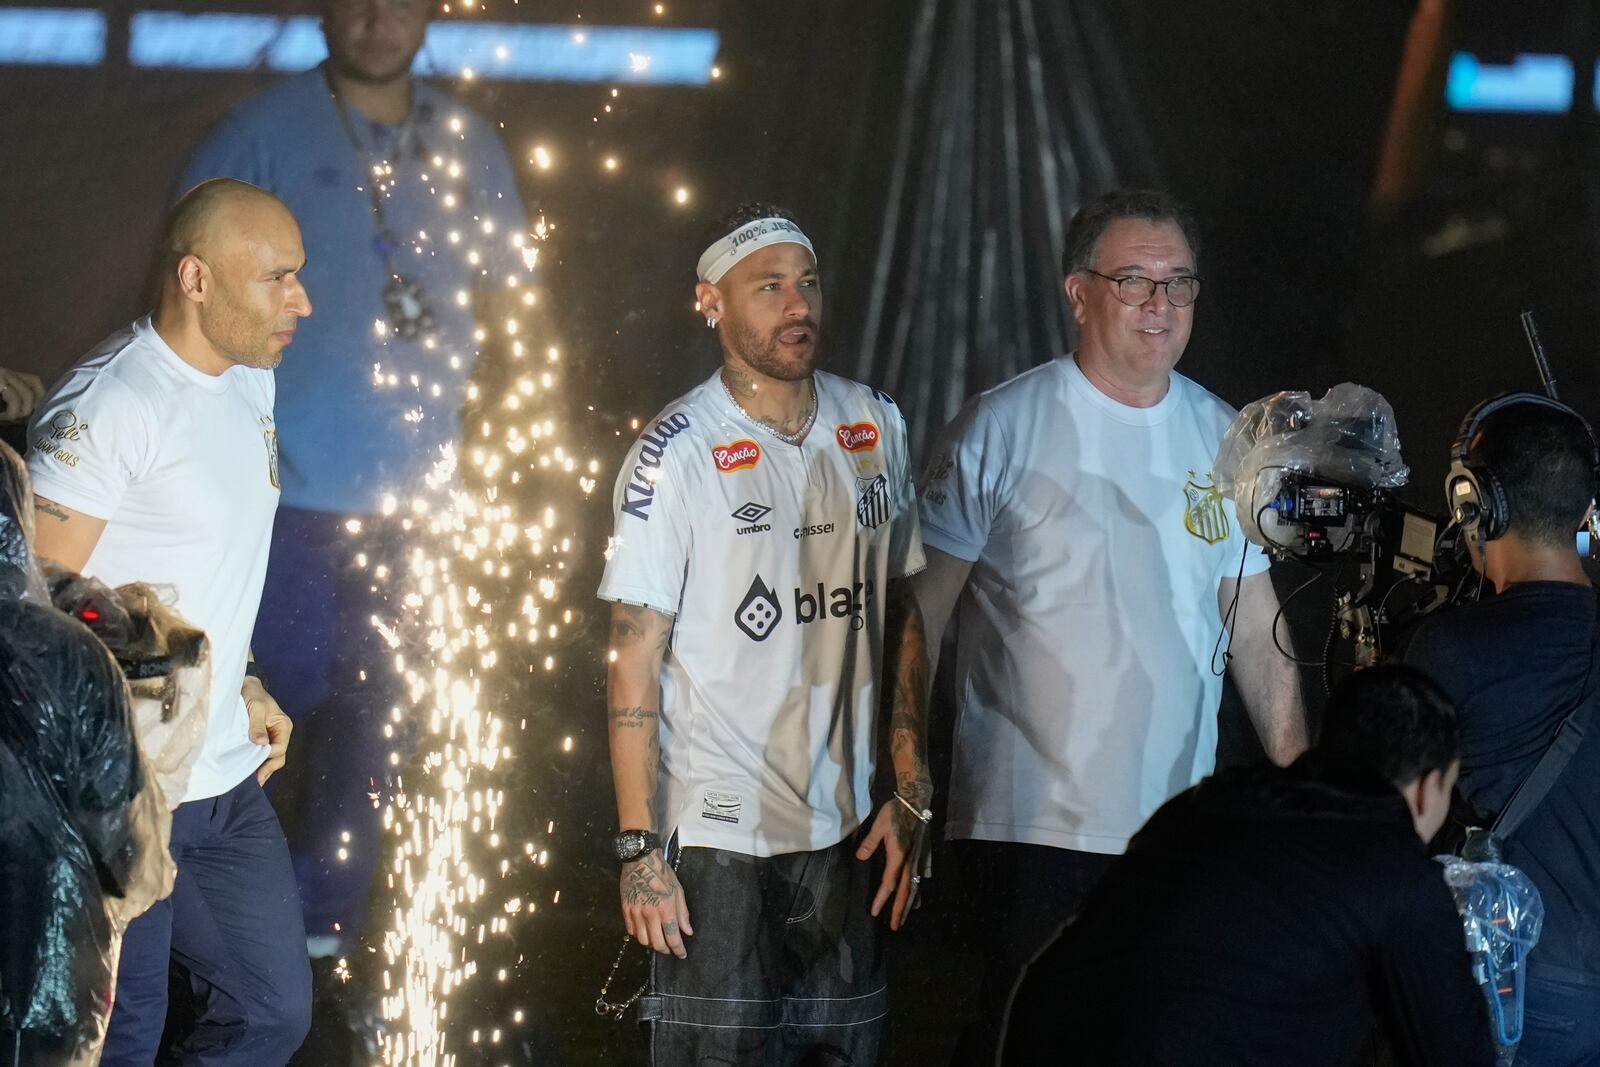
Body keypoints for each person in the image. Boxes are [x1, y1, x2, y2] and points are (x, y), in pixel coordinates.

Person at [911, 187, 1309, 1063]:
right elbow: (923, 613)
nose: (1160, 304)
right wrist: (905, 767)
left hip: (1175, 826)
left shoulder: (1224, 436)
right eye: (1133, 280)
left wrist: (1299, 799)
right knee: (1030, 1041)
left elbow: (1255, 634)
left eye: (1179, 283)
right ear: (1079, 293)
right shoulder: (1002, 424)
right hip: (1031, 826)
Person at [178, 0, 529, 964]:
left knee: (377, 731)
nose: (378, 17)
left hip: (420, 504)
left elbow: (510, 317)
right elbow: (183, 300)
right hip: (282, 499)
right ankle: (208, 932)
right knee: (243, 720)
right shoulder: (260, 133)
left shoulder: (467, 143)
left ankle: (323, 935)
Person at [596, 203, 929, 1064]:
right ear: (711, 301)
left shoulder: (875, 423)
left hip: (848, 821)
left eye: (807, 282)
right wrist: (638, 848)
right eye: (770, 285)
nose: (797, 305)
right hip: (717, 835)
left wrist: (908, 782)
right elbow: (633, 654)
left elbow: (900, 607)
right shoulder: (675, 450)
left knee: (842, 1052)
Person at [26, 178, 311, 1064]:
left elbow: (211, 561)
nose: (301, 300)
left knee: (270, 1011)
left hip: (223, 781)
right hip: (120, 792)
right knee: (121, 1036)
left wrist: (246, 675)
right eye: (276, 279)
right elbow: (25, 606)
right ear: (196, 279)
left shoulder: (251, 381)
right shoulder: (109, 405)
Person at [1002, 666, 1494, 1067]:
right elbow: (1454, 1052)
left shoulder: (1206, 804)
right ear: (1430, 788)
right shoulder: (1400, 876)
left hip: (1041, 1034)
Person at [1406, 393, 1600, 1066]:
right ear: (1585, 512)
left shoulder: (1452, 649)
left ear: (1474, 505)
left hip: (1522, 995)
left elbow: (1394, 826)